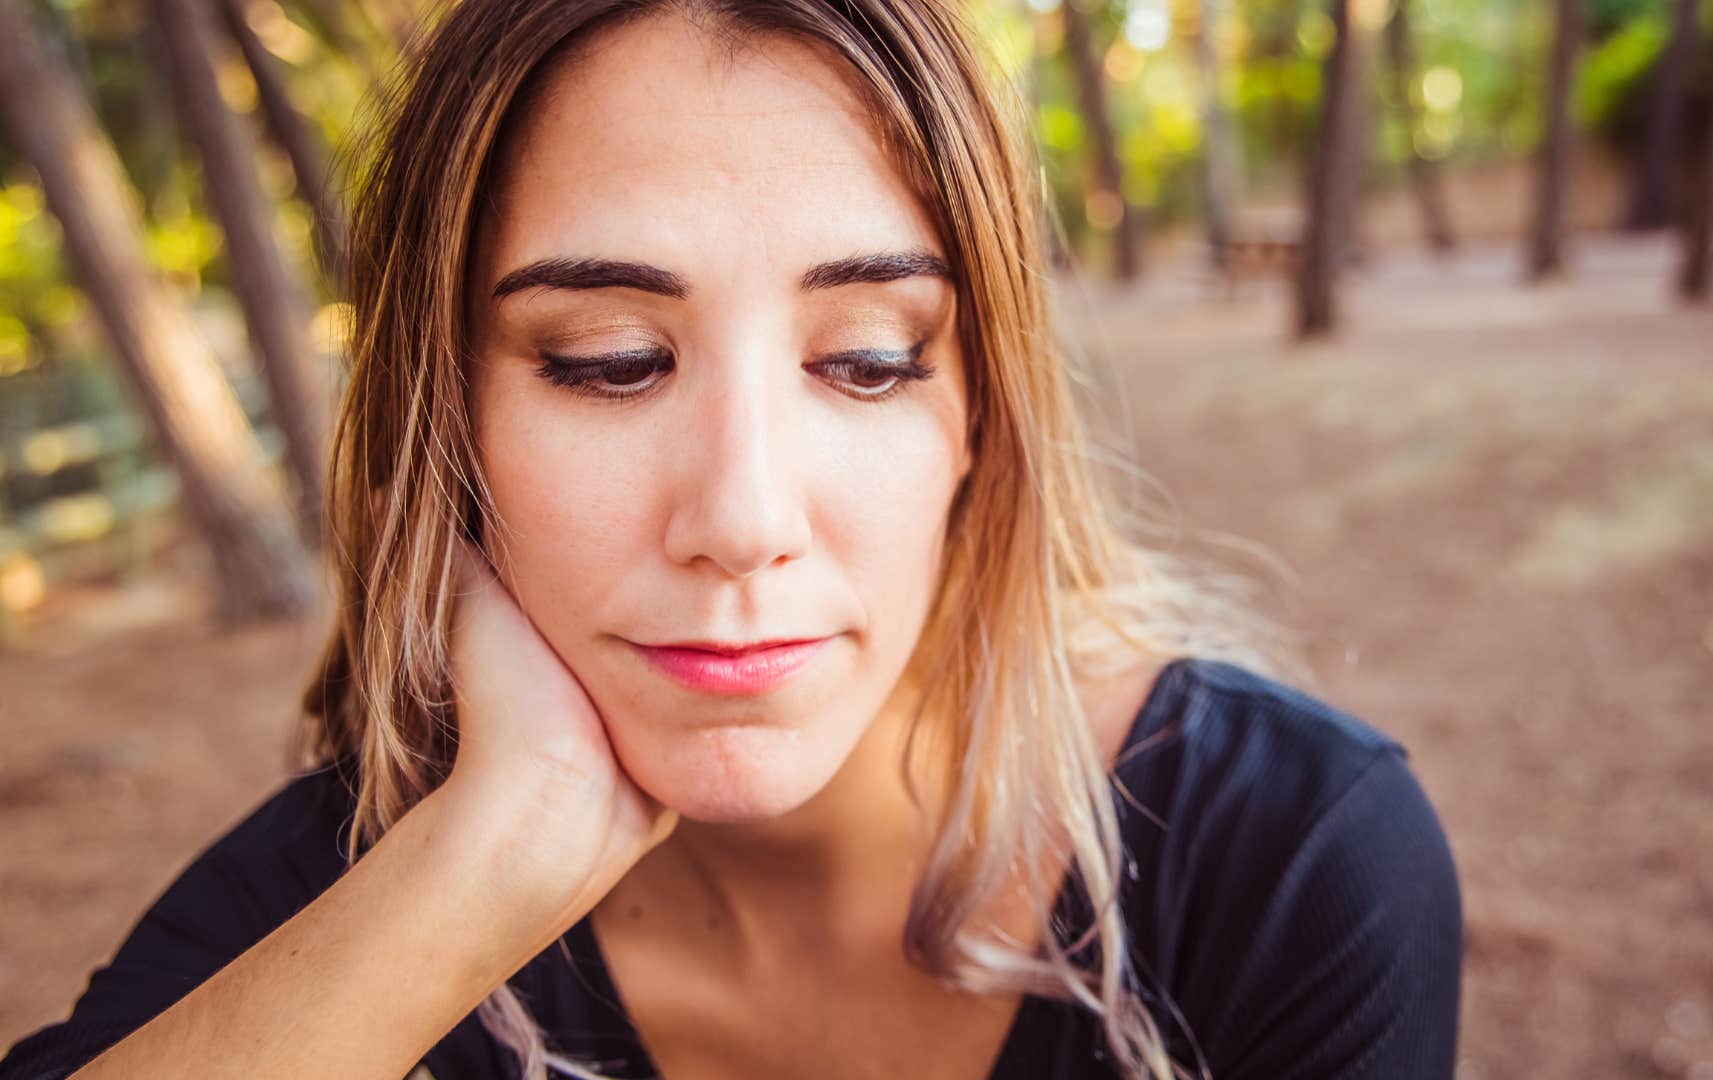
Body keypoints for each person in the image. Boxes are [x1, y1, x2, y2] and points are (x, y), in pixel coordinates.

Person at [0, 0, 1462, 1077]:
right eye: (613, 361)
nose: (744, 520)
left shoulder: (1288, 863)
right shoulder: (340, 911)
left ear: (980, 422)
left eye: (872, 359)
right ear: (446, 429)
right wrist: (495, 860)